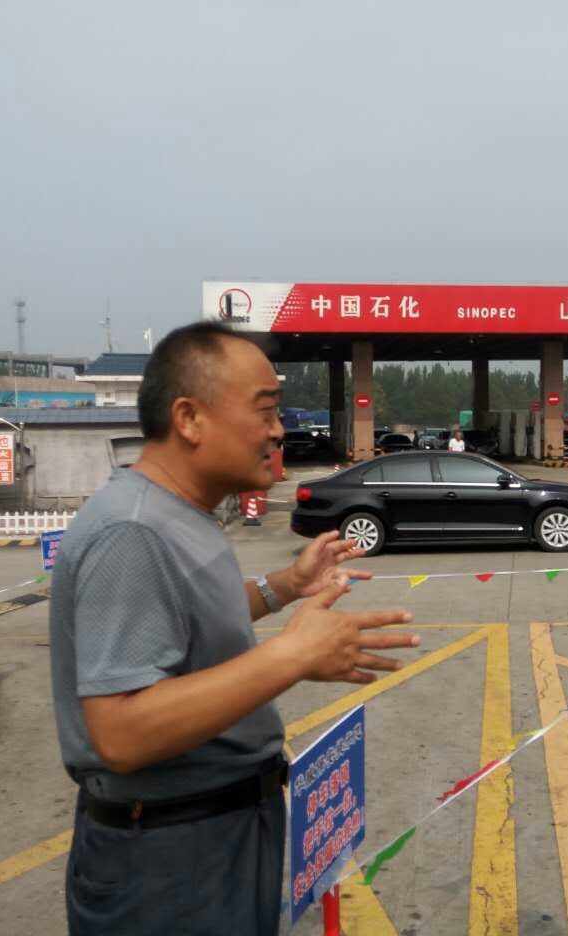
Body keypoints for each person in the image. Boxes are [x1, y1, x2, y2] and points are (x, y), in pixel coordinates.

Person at [49, 322, 420, 935]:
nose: (277, 430)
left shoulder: (180, 513)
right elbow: (120, 732)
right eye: (264, 410)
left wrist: (286, 586)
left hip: (214, 832)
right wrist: (291, 656)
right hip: (169, 860)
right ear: (190, 418)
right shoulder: (133, 531)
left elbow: (185, 622)